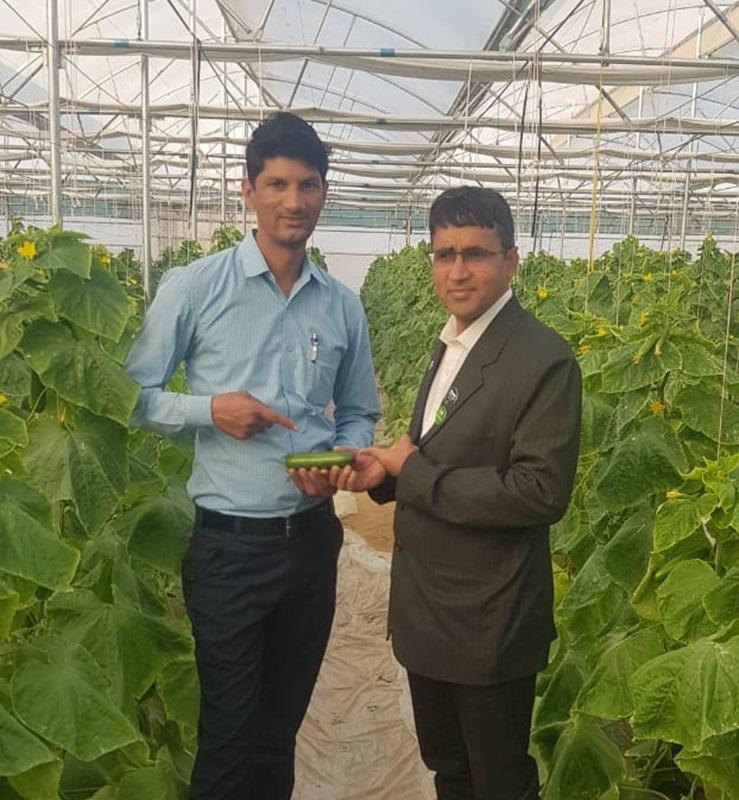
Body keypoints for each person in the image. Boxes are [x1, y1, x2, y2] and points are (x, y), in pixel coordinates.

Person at [124, 111, 380, 800]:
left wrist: (340, 458)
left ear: (324, 193)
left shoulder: (341, 307)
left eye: (307, 185)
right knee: (229, 736)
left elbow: (359, 411)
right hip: (229, 550)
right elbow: (133, 394)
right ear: (248, 192)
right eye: (276, 184)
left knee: (277, 733)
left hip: (311, 545)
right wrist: (210, 409)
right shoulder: (195, 287)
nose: (293, 201)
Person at [329, 187, 582, 799]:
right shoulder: (452, 343)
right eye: (444, 254)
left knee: (499, 781)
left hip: (488, 624)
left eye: (476, 253)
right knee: (449, 770)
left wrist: (411, 470)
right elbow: (433, 455)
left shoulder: (543, 358)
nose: (458, 269)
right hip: (426, 615)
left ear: (512, 261)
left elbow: (539, 491)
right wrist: (382, 476)